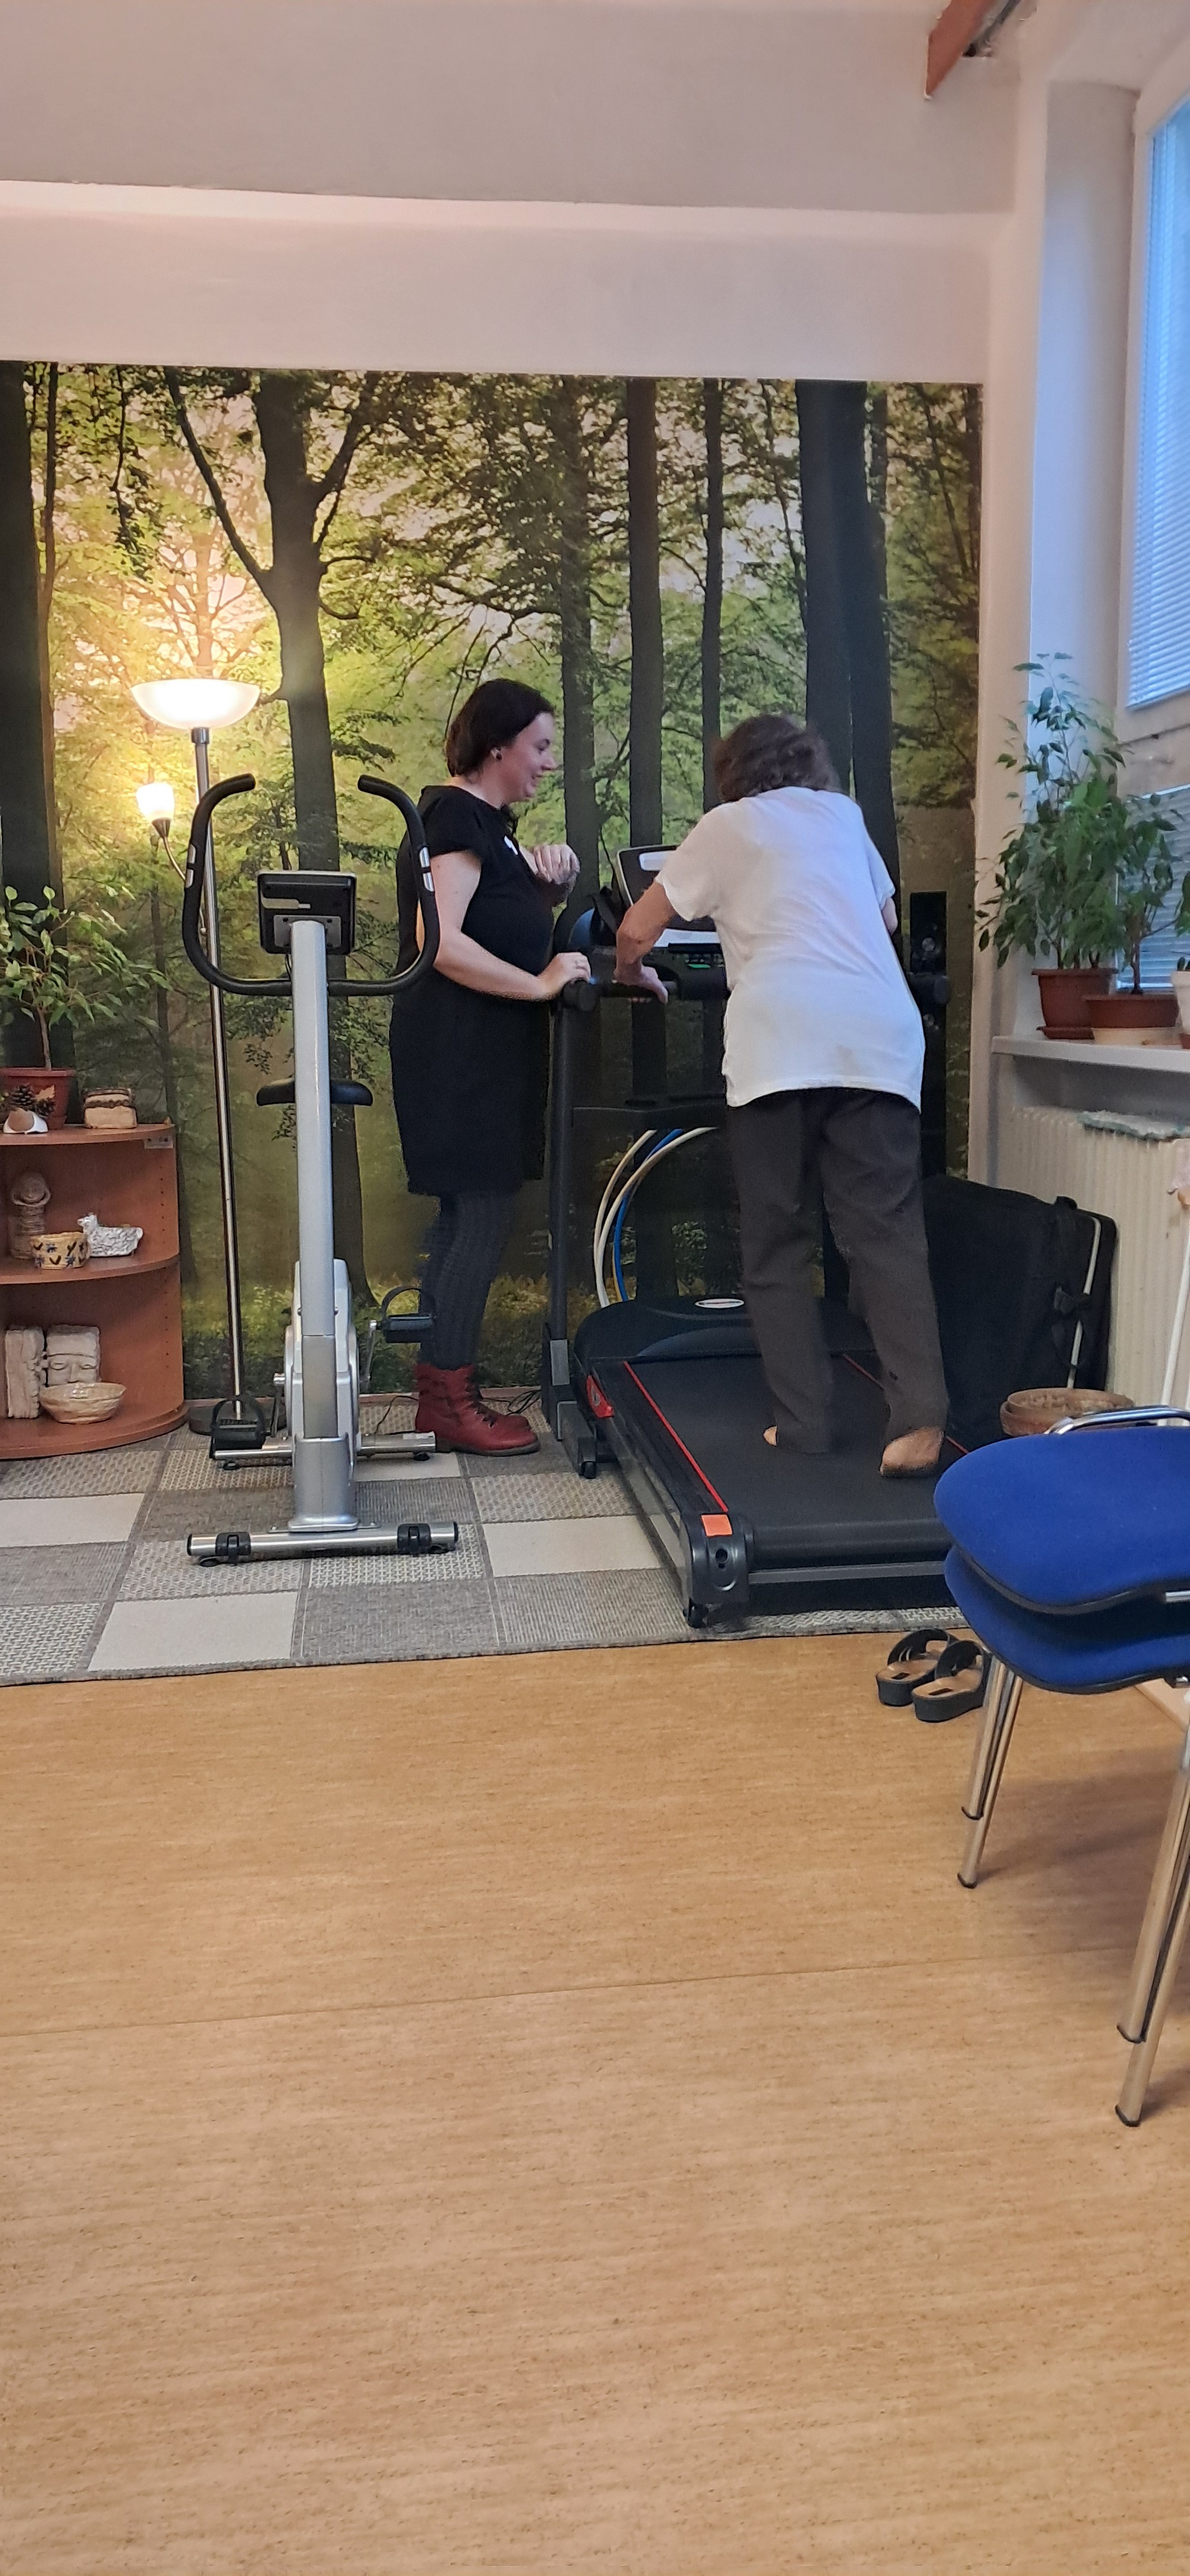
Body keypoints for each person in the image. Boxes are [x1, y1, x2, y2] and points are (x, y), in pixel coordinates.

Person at [613, 711, 949, 1477]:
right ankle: (919, 1421)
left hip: (782, 1041)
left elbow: (636, 930)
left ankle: (803, 1426)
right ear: (810, 764)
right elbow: (885, 919)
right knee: (886, 1235)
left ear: (734, 773)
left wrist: (635, 976)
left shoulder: (728, 825)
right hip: (878, 1036)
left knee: (775, 1241)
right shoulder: (844, 817)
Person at [389, 677, 591, 1455]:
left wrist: (546, 890)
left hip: (479, 1054)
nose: (547, 762)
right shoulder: (456, 816)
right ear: (498, 746)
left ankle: (441, 1396)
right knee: (479, 1217)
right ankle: (451, 1401)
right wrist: (542, 982)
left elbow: (493, 925)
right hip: (459, 1055)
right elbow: (439, 941)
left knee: (465, 1219)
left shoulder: (487, 828)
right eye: (539, 746)